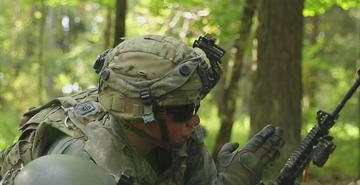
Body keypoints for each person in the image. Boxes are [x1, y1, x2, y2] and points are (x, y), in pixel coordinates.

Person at [0, 35, 284, 185]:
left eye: (195, 107)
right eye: (183, 111)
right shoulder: (81, 165)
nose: (193, 120)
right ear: (141, 112)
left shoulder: (179, 137)